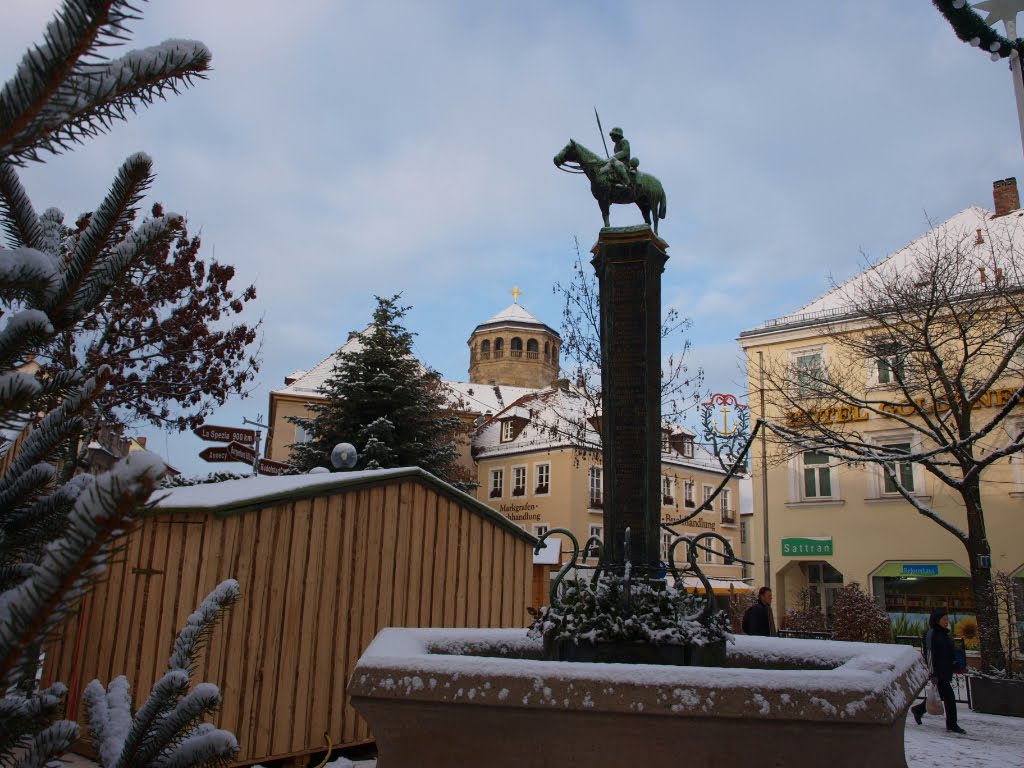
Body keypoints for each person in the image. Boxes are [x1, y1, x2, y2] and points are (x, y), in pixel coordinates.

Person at [910, 608, 965, 734]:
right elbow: (929, 654)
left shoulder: (944, 633)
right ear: (937, 620)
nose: (947, 622)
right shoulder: (932, 634)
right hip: (939, 672)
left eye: (947, 619)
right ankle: (952, 724)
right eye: (944, 619)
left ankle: (918, 710)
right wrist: (932, 673)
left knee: (940, 694)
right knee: (949, 697)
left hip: (945, 670)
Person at [601, 127, 633, 191]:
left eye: (612, 136)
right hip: (616, 162)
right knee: (612, 163)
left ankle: (626, 183)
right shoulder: (615, 146)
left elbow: (625, 152)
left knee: (615, 162)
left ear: (617, 136)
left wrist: (613, 158)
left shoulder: (624, 141)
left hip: (625, 164)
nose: (611, 137)